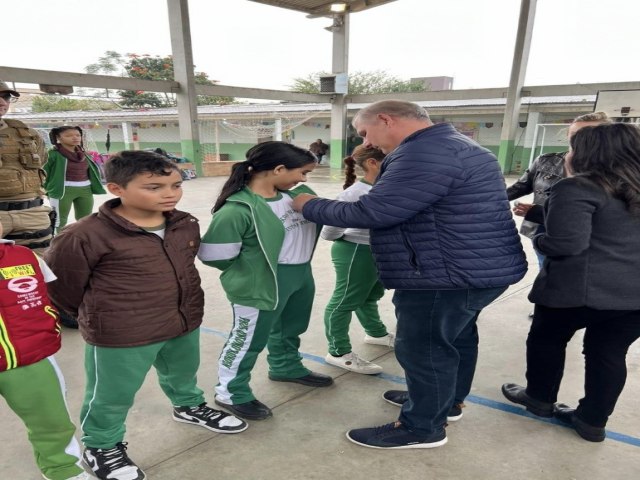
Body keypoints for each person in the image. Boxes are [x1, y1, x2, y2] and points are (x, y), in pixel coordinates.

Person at [292, 100, 527, 449]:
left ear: (386, 120)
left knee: (424, 348)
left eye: (365, 131)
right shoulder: (458, 145)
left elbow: (378, 210)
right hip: (475, 268)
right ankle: (444, 403)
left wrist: (308, 205)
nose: (368, 141)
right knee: (455, 339)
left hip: (445, 273)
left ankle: (422, 427)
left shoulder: (424, 152)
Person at [44, 151, 247, 480]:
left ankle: (188, 406)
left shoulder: (184, 224)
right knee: (112, 394)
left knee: (183, 373)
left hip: (182, 320)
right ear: (116, 188)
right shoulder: (84, 235)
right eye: (154, 187)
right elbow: (62, 287)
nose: (169, 193)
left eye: (176, 185)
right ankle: (101, 444)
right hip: (122, 332)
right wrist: (99, 315)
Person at [502, 122, 640, 443]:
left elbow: (566, 244)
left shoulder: (577, 187)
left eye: (573, 147)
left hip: (578, 291)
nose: (568, 154)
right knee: (608, 353)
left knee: (546, 341)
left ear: (590, 152)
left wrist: (541, 243)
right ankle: (592, 421)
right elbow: (613, 225)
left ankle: (539, 399)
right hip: (633, 297)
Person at [198, 141, 332, 422]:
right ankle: (230, 391)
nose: (304, 179)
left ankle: (286, 366)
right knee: (248, 339)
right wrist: (250, 270)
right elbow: (214, 256)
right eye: (302, 172)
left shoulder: (299, 196)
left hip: (300, 274)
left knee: (291, 327)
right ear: (279, 169)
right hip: (261, 280)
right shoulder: (238, 209)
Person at [0, 222, 89, 480]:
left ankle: (64, 470)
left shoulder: (25, 256)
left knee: (52, 421)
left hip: (31, 358)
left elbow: (49, 290)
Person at [322, 145, 393, 375]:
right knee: (345, 300)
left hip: (377, 250)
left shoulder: (386, 187)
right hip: (355, 250)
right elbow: (330, 229)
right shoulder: (355, 193)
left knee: (370, 295)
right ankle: (338, 352)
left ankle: (376, 333)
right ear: (372, 163)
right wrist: (350, 239)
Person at [507, 112, 611, 267]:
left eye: (589, 133)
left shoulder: (616, 169)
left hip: (588, 240)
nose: (580, 138)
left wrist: (538, 212)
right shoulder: (545, 160)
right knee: (548, 272)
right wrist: (485, 196)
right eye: (575, 133)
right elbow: (521, 186)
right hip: (544, 230)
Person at [0, 81, 53, 252]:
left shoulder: (26, 132)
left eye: (6, 97)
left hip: (32, 213)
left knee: (36, 270)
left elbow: (40, 162)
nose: (2, 102)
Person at [44, 126, 106, 232]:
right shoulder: (52, 154)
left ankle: (83, 241)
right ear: (58, 138)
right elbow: (43, 173)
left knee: (86, 219)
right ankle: (58, 244)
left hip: (85, 189)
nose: (75, 138)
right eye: (68, 135)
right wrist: (42, 189)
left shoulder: (84, 154)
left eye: (78, 135)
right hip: (61, 191)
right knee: (59, 221)